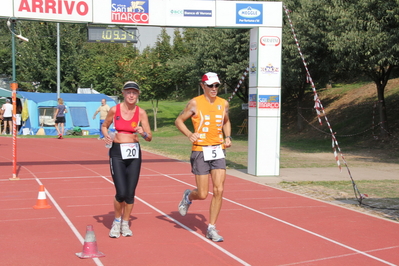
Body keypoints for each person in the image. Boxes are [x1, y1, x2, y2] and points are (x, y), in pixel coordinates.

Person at [175, 72, 232, 242]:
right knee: (202, 193)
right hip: (200, 150)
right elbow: (179, 120)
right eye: (211, 86)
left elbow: (226, 121)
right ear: (203, 86)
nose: (214, 89)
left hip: (217, 150)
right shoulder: (195, 103)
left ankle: (212, 228)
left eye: (217, 86)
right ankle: (188, 196)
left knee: (219, 190)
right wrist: (189, 134)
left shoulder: (224, 103)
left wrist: (227, 137)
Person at [102, 81, 152, 238]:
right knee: (121, 192)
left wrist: (143, 132)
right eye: (128, 92)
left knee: (130, 193)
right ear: (123, 93)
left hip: (134, 154)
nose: (131, 95)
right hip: (117, 153)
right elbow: (104, 126)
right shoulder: (114, 110)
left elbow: (149, 137)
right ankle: (116, 221)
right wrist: (106, 136)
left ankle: (125, 222)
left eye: (134, 92)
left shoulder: (141, 113)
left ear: (138, 95)